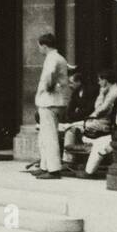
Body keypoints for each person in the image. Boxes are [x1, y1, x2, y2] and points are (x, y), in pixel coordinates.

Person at [30, 31, 71, 179]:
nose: (39, 49)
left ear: (45, 45)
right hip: (52, 101)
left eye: (40, 46)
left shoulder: (52, 58)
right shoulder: (57, 57)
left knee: (49, 136)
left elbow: (50, 75)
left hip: (50, 101)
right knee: (45, 135)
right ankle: (45, 166)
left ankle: (53, 169)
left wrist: (48, 87)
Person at [62, 68, 117, 149]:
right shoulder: (108, 90)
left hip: (103, 123)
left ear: (105, 80)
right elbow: (97, 107)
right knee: (71, 127)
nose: (98, 83)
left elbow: (101, 109)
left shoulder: (114, 92)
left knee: (70, 128)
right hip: (98, 120)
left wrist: (101, 94)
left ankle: (69, 158)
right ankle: (72, 155)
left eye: (99, 80)